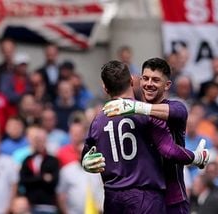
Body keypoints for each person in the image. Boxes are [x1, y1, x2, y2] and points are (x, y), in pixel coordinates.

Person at [81, 60, 209, 214]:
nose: (149, 84)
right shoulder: (144, 117)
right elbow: (168, 149)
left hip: (170, 198)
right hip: (148, 197)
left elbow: (176, 114)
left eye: (155, 80)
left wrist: (137, 107)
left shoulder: (173, 108)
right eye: (146, 78)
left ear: (167, 85)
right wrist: (84, 162)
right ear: (135, 81)